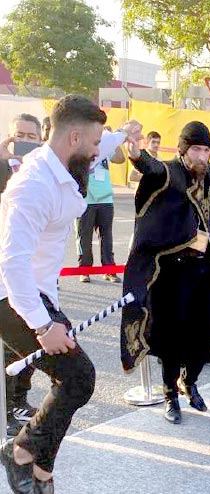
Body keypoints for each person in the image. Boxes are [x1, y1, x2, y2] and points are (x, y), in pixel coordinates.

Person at [0, 94, 107, 493]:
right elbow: (12, 266)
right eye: (95, 143)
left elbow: (104, 142)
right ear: (74, 138)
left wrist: (122, 137)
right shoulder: (33, 184)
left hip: (38, 291)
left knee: (75, 380)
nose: (98, 152)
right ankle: (20, 452)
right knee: (79, 376)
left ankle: (39, 470)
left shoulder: (61, 164)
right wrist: (44, 326)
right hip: (10, 296)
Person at [121, 120, 210, 424]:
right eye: (196, 150)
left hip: (205, 267)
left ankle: (189, 381)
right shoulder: (169, 172)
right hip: (172, 271)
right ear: (183, 150)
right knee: (172, 336)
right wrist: (134, 151)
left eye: (205, 150)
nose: (202, 156)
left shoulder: (207, 172)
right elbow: (149, 167)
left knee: (206, 331)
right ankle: (170, 395)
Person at [0, 114, 45, 436]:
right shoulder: (3, 168)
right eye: (20, 135)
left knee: (32, 341)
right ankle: (5, 408)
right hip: (7, 271)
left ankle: (19, 399)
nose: (25, 141)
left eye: (32, 136)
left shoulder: (42, 171)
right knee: (9, 345)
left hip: (37, 269)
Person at [75, 127, 128, 283]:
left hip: (105, 198)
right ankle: (84, 270)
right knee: (84, 236)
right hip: (86, 199)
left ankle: (109, 270)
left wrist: (114, 139)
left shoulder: (105, 147)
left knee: (107, 236)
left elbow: (120, 159)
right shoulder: (83, 147)